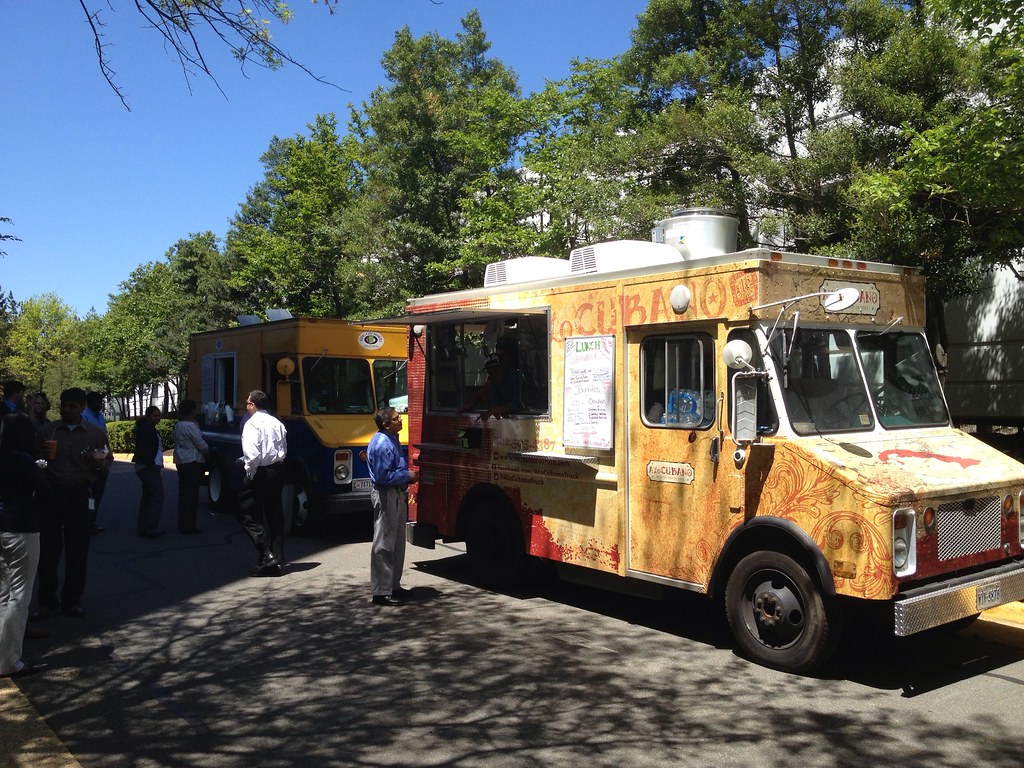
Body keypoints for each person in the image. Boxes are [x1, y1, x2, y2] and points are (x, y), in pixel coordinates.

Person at [34, 388, 111, 620]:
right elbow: (35, 461)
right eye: (64, 405)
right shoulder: (48, 430)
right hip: (51, 495)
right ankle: (47, 600)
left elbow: (107, 459)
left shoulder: (94, 433)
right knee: (48, 550)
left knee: (78, 550)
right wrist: (43, 460)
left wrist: (99, 463)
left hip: (79, 494)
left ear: (81, 407)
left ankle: (72, 599)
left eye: (72, 406)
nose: (67, 410)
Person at [0, 413, 51, 677]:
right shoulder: (22, 459)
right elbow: (43, 491)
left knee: (3, 592)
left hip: (2, 526)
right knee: (20, 594)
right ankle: (10, 661)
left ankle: (3, 654)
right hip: (22, 528)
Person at [367, 406, 417, 606]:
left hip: (397, 493)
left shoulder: (392, 440)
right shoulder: (381, 444)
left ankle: (393, 585)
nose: (401, 420)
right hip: (387, 494)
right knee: (384, 543)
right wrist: (408, 476)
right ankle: (381, 591)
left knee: (396, 542)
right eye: (397, 419)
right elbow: (383, 476)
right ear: (386, 424)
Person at [239, 390, 287, 577]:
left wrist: (250, 474)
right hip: (278, 469)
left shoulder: (252, 424)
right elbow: (283, 448)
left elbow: (252, 455)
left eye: (247, 403)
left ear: (253, 405)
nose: (247, 406)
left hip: (261, 472)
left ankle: (266, 555)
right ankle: (278, 556)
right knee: (274, 512)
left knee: (246, 514)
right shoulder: (277, 423)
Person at [173, 400, 209, 534]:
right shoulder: (190, 426)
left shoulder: (178, 425)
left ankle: (182, 523)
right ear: (191, 411)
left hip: (181, 460)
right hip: (192, 460)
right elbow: (201, 444)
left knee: (183, 493)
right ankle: (190, 525)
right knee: (192, 495)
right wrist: (208, 450)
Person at [456, 354, 522, 421]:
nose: (493, 374)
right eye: (489, 372)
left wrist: (493, 411)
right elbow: (494, 399)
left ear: (504, 366)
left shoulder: (516, 377)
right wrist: (496, 409)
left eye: (496, 370)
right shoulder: (494, 380)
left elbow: (517, 403)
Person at [132, 406, 165, 538]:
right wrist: (151, 464)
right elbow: (145, 449)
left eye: (158, 415)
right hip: (147, 466)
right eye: (154, 415)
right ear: (148, 416)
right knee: (158, 495)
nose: (157, 418)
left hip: (147, 465)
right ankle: (151, 527)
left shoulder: (149, 429)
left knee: (148, 496)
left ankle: (144, 527)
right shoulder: (147, 430)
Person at [81, 392, 110, 534]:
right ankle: (87, 521)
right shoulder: (85, 416)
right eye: (96, 401)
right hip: (91, 462)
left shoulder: (100, 417)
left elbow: (104, 439)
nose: (99, 404)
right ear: (89, 402)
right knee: (90, 496)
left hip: (102, 461)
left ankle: (92, 520)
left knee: (98, 493)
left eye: (100, 401)